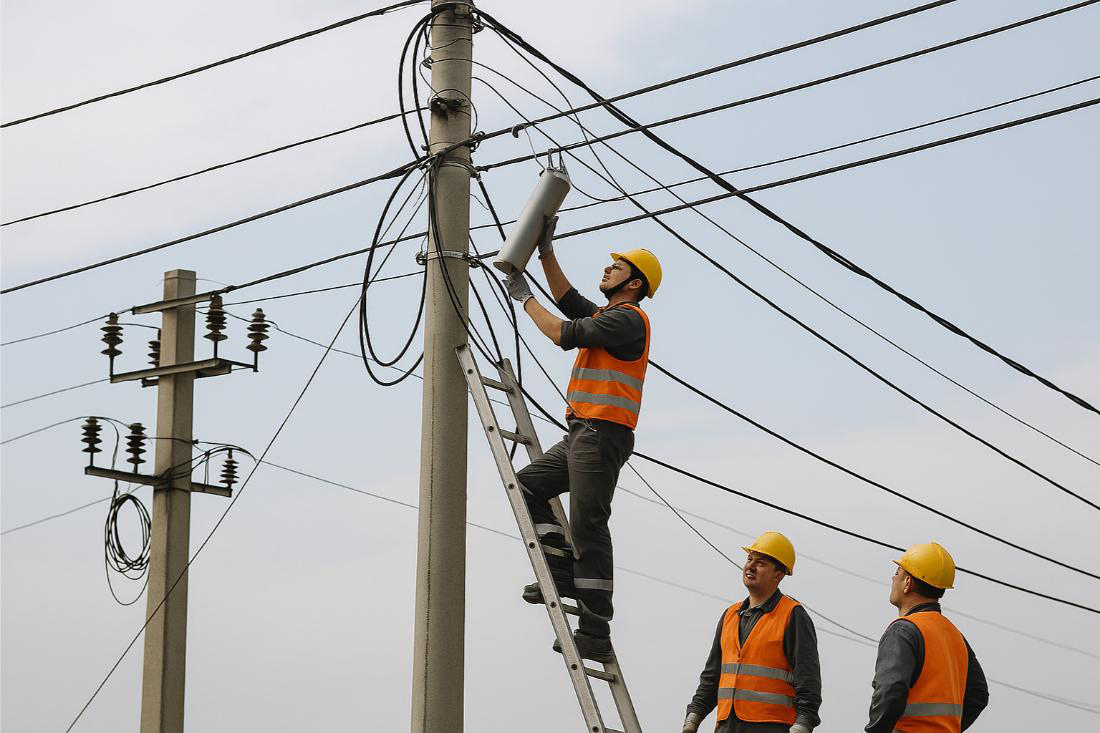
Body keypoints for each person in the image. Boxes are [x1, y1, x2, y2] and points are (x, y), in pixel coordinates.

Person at [503, 216, 662, 662]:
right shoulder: (611, 316)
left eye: (618, 267)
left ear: (634, 283)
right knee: (527, 485)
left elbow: (563, 333)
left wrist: (525, 298)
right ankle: (560, 569)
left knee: (588, 524)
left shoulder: (627, 319)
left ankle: (595, 631)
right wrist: (545, 251)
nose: (608, 269)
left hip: (602, 433)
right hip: (584, 431)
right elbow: (570, 301)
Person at [682, 532, 822, 733]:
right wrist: (694, 717)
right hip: (727, 727)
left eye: (761, 563)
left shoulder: (793, 616)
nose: (751, 566)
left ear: (778, 574)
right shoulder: (730, 615)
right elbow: (712, 678)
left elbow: (808, 680)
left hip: (771, 727)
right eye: (749, 559)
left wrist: (802, 725)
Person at [866, 542, 989, 732]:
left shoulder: (903, 630)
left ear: (907, 583)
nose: (893, 577)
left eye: (898, 572)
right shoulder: (955, 636)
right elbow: (978, 695)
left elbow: (890, 692)